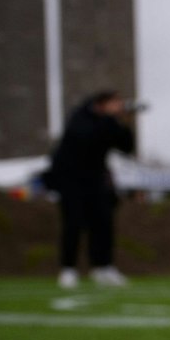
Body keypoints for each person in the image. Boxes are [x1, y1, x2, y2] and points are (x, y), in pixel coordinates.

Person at [45, 89, 136, 288]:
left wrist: (125, 122)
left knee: (103, 224)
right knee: (73, 225)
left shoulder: (110, 123)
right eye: (115, 103)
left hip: (97, 180)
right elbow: (86, 138)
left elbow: (127, 147)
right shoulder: (80, 117)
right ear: (103, 103)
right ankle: (68, 269)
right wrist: (110, 120)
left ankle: (103, 267)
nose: (118, 107)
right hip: (71, 180)